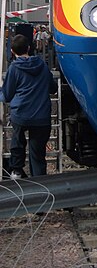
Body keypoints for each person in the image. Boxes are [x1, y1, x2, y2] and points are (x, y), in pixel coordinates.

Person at [0, 34, 57, 178]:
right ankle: (40, 183)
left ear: (12, 51)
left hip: (20, 115)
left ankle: (17, 171)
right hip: (41, 116)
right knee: (38, 154)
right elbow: (53, 88)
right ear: (29, 48)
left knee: (17, 143)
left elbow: (7, 95)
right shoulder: (43, 66)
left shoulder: (14, 68)